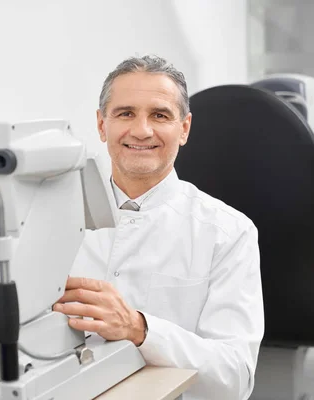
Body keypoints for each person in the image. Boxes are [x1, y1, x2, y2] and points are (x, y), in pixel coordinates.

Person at [52, 55, 264, 400]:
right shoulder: (52, 219)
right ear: (102, 124)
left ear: (184, 128)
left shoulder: (228, 232)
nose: (141, 130)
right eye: (125, 113)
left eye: (160, 115)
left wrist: (140, 328)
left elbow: (235, 377)